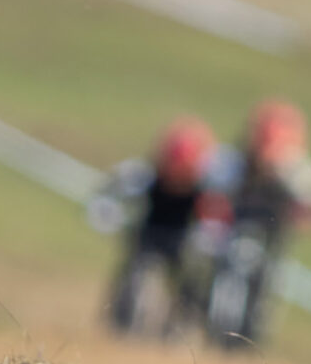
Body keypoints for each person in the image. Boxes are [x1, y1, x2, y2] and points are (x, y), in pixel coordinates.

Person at [200, 101, 311, 346]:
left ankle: (249, 340)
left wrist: (294, 209)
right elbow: (211, 196)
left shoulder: (298, 173)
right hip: (231, 233)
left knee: (264, 291)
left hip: (271, 242)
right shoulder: (232, 163)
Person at [93, 115, 219, 336]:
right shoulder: (145, 177)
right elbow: (110, 194)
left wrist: (206, 237)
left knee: (191, 288)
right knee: (136, 281)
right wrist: (111, 215)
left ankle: (180, 332)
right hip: (149, 240)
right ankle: (123, 327)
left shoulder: (207, 188)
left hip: (184, 246)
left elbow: (216, 219)